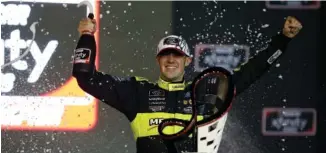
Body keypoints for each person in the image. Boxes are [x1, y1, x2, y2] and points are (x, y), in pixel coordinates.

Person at [73, 16, 302, 153]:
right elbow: (85, 77)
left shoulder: (205, 91)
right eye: (165, 55)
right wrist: (86, 35)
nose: (171, 60)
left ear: (188, 60)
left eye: (177, 55)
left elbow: (253, 71)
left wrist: (283, 40)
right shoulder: (137, 92)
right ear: (158, 60)